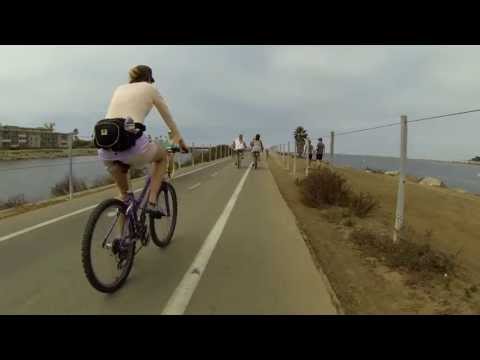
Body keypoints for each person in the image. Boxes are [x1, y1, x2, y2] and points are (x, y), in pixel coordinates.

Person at [97, 65, 188, 217]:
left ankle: (121, 238)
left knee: (125, 199)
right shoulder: (149, 89)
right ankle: (152, 203)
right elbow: (168, 119)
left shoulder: (119, 88)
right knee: (163, 156)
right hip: (133, 147)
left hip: (105, 150)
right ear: (148, 78)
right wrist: (179, 140)